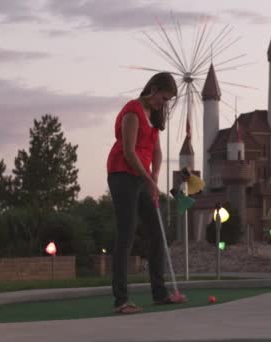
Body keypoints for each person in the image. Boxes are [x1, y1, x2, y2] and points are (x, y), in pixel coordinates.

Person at [106, 72, 183, 314]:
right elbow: (129, 152)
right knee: (126, 234)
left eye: (168, 100)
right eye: (163, 97)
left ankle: (160, 294)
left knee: (157, 234)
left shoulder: (154, 116)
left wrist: (155, 176)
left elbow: (156, 151)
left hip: (143, 178)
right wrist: (148, 179)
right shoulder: (133, 110)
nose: (164, 103)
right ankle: (121, 300)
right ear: (153, 89)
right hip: (122, 175)